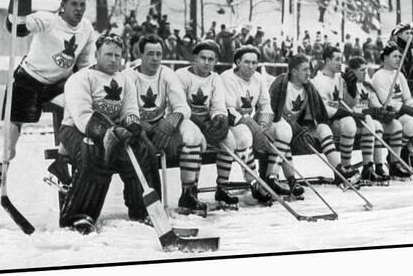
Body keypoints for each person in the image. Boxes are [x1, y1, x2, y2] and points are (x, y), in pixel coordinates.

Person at [0, 0, 97, 226]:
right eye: (74, 4)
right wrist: (22, 0)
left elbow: (84, 64)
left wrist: (86, 88)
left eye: (83, 4)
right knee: (5, 142)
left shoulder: (86, 28)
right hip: (28, 82)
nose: (79, 9)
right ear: (63, 6)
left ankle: (60, 163)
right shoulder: (48, 20)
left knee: (78, 109)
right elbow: (16, 27)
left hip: (59, 84)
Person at [58, 34, 157, 233]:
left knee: (141, 148)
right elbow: (82, 116)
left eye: (117, 55)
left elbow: (130, 110)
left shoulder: (125, 79)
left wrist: (132, 127)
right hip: (77, 130)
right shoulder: (80, 79)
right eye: (108, 54)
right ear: (96, 54)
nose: (113, 60)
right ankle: (80, 215)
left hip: (115, 131)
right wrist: (108, 133)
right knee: (93, 150)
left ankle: (144, 210)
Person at [122, 35, 208, 217]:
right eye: (150, 54)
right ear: (140, 55)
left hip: (161, 127)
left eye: (159, 54)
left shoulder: (166, 73)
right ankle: (144, 205)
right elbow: (123, 110)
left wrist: (171, 121)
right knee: (143, 151)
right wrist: (137, 123)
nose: (155, 58)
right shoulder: (129, 76)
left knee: (191, 133)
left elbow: (182, 107)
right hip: (137, 129)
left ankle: (187, 194)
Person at [221, 46, 304, 201]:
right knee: (245, 136)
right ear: (238, 62)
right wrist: (253, 127)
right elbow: (229, 108)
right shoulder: (227, 78)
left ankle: (271, 177)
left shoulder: (258, 78)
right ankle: (254, 182)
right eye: (247, 62)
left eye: (254, 62)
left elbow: (266, 105)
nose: (251, 66)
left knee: (283, 129)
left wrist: (263, 125)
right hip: (231, 122)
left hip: (253, 121)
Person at [270, 53, 359, 185]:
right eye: (305, 70)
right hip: (278, 128)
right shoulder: (281, 84)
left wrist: (349, 114)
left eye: (309, 69)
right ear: (294, 71)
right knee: (285, 131)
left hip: (298, 130)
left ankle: (339, 170)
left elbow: (318, 112)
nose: (308, 73)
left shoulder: (308, 87)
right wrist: (298, 130)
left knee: (323, 127)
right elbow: (272, 112)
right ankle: (283, 179)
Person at [175, 40, 238, 209]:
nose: (207, 62)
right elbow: (178, 105)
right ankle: (188, 192)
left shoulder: (215, 78)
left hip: (206, 122)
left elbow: (218, 105)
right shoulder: (182, 75)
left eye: (211, 59)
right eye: (203, 58)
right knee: (193, 139)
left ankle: (222, 188)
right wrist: (200, 126)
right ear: (195, 57)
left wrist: (219, 118)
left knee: (230, 140)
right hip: (184, 120)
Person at [371, 42, 413, 176]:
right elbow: (387, 102)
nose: (398, 59)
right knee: (411, 123)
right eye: (395, 56)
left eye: (399, 56)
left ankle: (405, 151)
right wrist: (408, 110)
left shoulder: (400, 75)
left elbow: (407, 98)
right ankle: (394, 160)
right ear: (385, 57)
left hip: (403, 112)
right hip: (389, 115)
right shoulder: (379, 76)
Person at [345, 57, 400, 182]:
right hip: (355, 120)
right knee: (371, 121)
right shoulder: (347, 84)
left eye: (366, 70)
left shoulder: (367, 86)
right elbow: (348, 107)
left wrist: (385, 111)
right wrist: (369, 112)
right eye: (362, 70)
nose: (365, 73)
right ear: (352, 71)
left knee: (380, 125)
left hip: (367, 121)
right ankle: (367, 166)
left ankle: (378, 165)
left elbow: (376, 105)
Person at [311, 46, 362, 180]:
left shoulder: (340, 78)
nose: (341, 63)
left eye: (342, 59)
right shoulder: (318, 81)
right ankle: (339, 171)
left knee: (350, 124)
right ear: (327, 60)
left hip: (336, 120)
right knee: (348, 120)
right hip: (323, 123)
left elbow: (350, 104)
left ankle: (346, 167)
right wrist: (348, 113)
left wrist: (352, 87)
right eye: (337, 59)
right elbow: (325, 110)